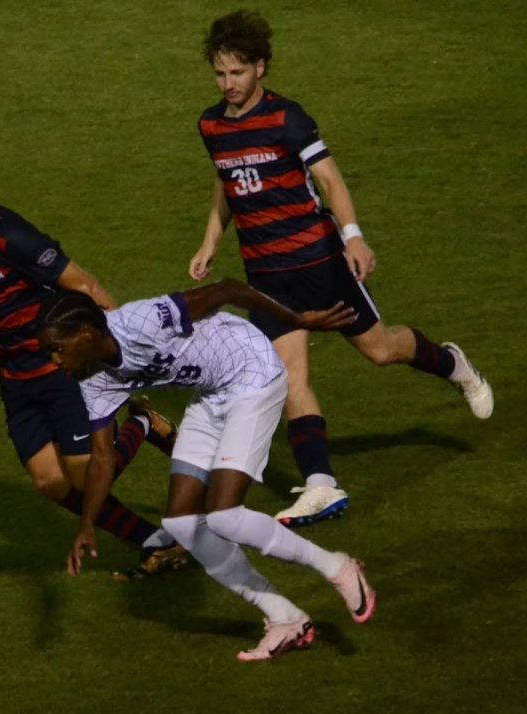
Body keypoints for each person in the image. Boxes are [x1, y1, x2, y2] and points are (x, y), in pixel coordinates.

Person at [188, 11, 494, 528]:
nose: (228, 84)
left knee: (381, 351)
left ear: (260, 67)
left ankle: (452, 365)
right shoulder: (211, 125)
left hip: (319, 262)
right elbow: (226, 185)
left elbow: (328, 180)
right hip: (266, 276)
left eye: (237, 73)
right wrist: (210, 242)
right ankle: (321, 485)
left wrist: (353, 237)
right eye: (220, 74)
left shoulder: (290, 119)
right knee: (287, 377)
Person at [36, 279, 376, 661]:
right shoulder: (91, 378)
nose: (53, 361)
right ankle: (285, 618)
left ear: (84, 334)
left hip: (252, 372)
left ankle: (337, 566)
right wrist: (86, 524)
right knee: (181, 524)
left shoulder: (142, 322)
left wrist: (295, 320)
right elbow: (101, 458)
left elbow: (227, 290)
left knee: (225, 516)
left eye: (57, 349)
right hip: (211, 394)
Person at [0, 137, 187, 577]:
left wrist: (118, 355)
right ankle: (155, 540)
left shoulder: (13, 237)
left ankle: (143, 424)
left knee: (85, 478)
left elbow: (84, 287)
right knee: (50, 482)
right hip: (12, 377)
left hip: (57, 369)